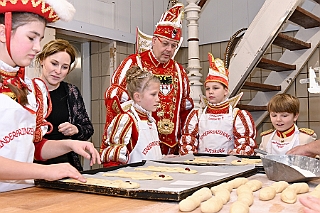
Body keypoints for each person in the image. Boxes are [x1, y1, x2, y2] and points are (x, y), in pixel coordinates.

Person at [0, 0, 100, 192]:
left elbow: (34, 147)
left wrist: (70, 144)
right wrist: (44, 172)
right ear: (3, 32)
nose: (38, 47)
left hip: (21, 196)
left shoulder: (31, 89)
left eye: (40, 39)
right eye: (31, 37)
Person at [100, 3, 193, 161]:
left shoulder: (179, 71)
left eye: (174, 45)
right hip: (137, 146)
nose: (169, 49)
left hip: (171, 150)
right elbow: (113, 97)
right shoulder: (134, 62)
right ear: (154, 40)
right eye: (165, 43)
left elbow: (185, 111)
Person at [179, 53, 257, 156]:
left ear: (225, 91)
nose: (210, 92)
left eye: (215, 88)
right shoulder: (198, 114)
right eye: (207, 88)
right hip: (202, 166)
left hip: (228, 167)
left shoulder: (237, 115)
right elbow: (188, 140)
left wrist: (238, 152)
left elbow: (245, 143)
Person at [33, 39, 94, 171]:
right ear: (42, 60)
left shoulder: (72, 92)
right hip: (34, 164)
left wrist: (76, 129)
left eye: (64, 67)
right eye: (54, 64)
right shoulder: (28, 91)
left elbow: (88, 129)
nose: (58, 71)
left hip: (66, 163)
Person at [100, 66, 162, 165]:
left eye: (158, 94)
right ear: (137, 97)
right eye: (153, 94)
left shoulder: (150, 120)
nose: (158, 99)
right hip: (134, 179)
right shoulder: (127, 120)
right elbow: (112, 161)